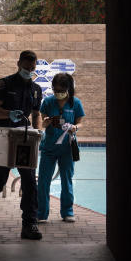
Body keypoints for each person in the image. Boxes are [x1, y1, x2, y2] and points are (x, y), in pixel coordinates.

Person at [0, 50, 44, 240]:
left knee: (30, 180)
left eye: (32, 68)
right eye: (26, 67)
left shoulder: (36, 89)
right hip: (3, 137)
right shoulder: (5, 84)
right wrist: (8, 114)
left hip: (24, 139)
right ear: (18, 64)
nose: (29, 71)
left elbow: (36, 114)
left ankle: (29, 224)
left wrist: (38, 132)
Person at [36, 72, 85, 223]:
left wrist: (75, 127)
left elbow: (80, 122)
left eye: (61, 90)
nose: (57, 93)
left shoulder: (75, 103)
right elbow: (42, 123)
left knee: (67, 179)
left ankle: (67, 212)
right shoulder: (48, 102)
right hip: (49, 147)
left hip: (67, 149)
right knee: (43, 180)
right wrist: (46, 122)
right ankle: (41, 214)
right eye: (55, 90)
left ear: (68, 88)